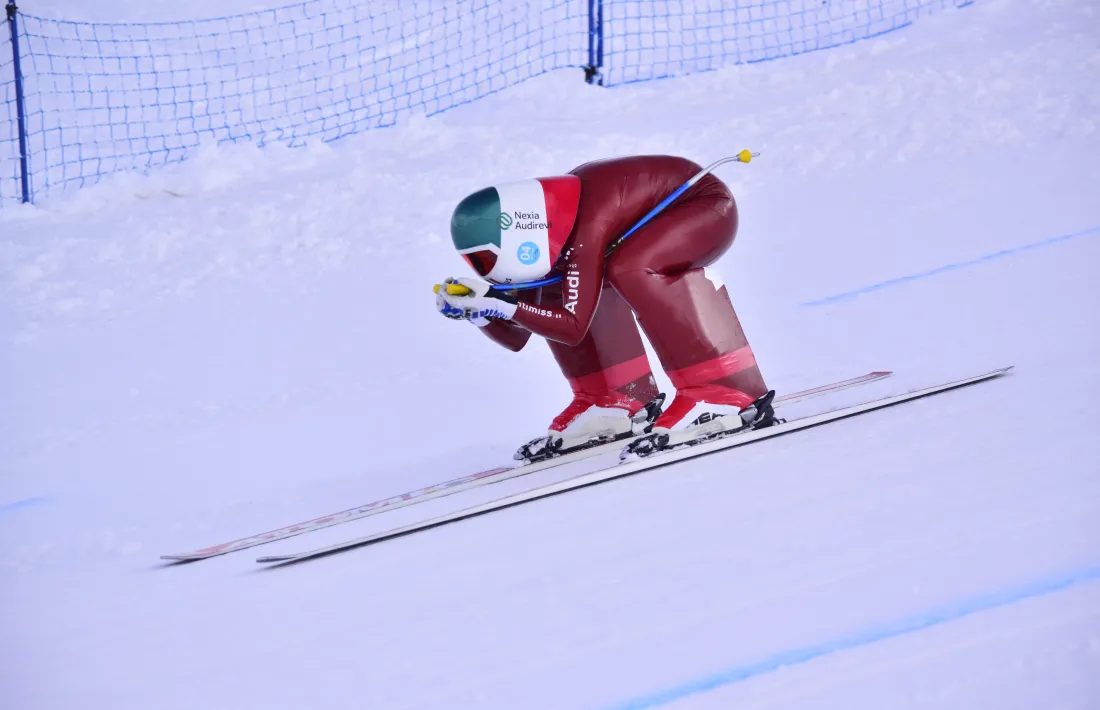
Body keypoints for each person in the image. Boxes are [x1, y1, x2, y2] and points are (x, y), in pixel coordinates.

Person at [436, 154, 776, 459]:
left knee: (631, 267)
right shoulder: (543, 235)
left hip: (703, 206)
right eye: (477, 262)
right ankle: (616, 398)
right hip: (642, 222)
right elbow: (518, 336)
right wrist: (478, 311)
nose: (490, 268)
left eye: (489, 258)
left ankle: (723, 391)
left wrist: (499, 303)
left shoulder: (585, 224)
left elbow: (570, 326)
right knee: (558, 280)